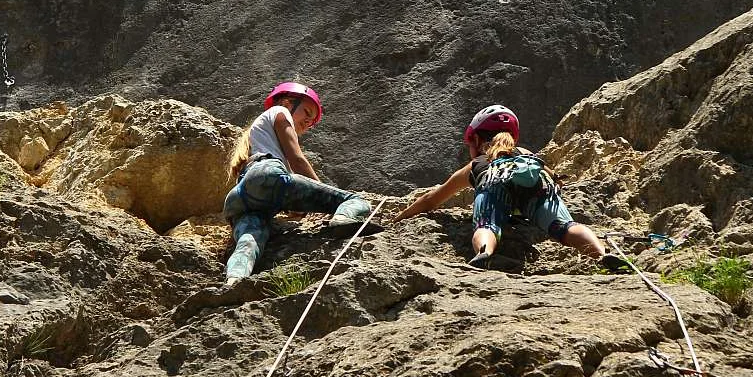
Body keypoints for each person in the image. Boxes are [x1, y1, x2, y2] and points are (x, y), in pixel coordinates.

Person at [394, 104, 631, 272]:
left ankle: (484, 253)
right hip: (536, 184)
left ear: (476, 140)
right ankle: (601, 255)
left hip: (494, 183)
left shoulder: (476, 165)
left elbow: (431, 200)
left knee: (488, 225)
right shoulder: (526, 155)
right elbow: (550, 175)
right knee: (565, 227)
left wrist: (399, 217)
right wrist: (556, 181)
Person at [221, 82, 373, 282]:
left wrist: (295, 204)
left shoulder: (259, 138)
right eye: (307, 112)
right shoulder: (280, 111)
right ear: (287, 102)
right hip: (266, 174)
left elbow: (275, 185)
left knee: (249, 243)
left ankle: (234, 279)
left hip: (239, 198)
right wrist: (325, 193)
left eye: (312, 122)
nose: (308, 122)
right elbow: (297, 159)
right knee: (356, 201)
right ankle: (343, 218)